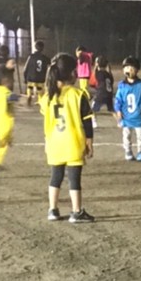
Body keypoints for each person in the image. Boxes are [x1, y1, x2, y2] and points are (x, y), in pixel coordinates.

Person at [43, 52, 94, 223]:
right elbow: (87, 121)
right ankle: (76, 211)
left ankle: (52, 210)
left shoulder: (48, 96)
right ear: (72, 73)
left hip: (54, 143)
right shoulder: (78, 94)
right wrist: (89, 142)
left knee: (55, 177)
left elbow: (46, 114)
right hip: (73, 143)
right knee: (74, 179)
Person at [114, 57, 141, 162]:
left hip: (139, 116)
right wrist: (118, 111)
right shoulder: (122, 86)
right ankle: (128, 151)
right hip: (126, 116)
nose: (128, 70)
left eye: (131, 68)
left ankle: (140, 151)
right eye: (126, 68)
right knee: (126, 135)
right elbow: (118, 100)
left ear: (137, 70)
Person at [23, 39, 50, 107]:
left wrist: (25, 77)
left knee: (29, 87)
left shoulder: (31, 56)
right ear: (43, 48)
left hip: (31, 77)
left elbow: (25, 68)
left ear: (35, 47)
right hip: (40, 78)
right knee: (40, 89)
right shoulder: (45, 58)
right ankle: (40, 100)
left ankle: (29, 95)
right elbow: (49, 66)